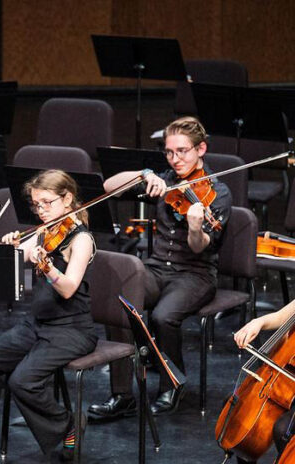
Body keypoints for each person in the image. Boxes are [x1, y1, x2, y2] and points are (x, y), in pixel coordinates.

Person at [88, 116, 232, 419]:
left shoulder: (219, 194)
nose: (176, 159)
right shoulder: (164, 180)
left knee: (165, 317)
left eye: (183, 151)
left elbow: (200, 247)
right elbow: (108, 187)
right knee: (119, 304)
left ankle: (172, 385)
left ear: (201, 149)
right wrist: (143, 174)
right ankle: (122, 394)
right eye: (169, 152)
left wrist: (195, 226)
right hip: (157, 268)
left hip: (195, 274)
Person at [0, 169, 98, 462]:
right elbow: (19, 258)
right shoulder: (46, 232)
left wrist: (48, 268)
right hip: (38, 325)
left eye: (47, 203)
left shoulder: (82, 240)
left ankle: (68, 425)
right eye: (36, 205)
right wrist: (13, 248)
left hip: (72, 330)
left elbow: (68, 289)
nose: (41, 211)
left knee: (22, 381)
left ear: (67, 199)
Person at [232, 299, 295, 464]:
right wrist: (258, 322)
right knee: (242, 413)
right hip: (287, 383)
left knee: (283, 429)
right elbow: (281, 317)